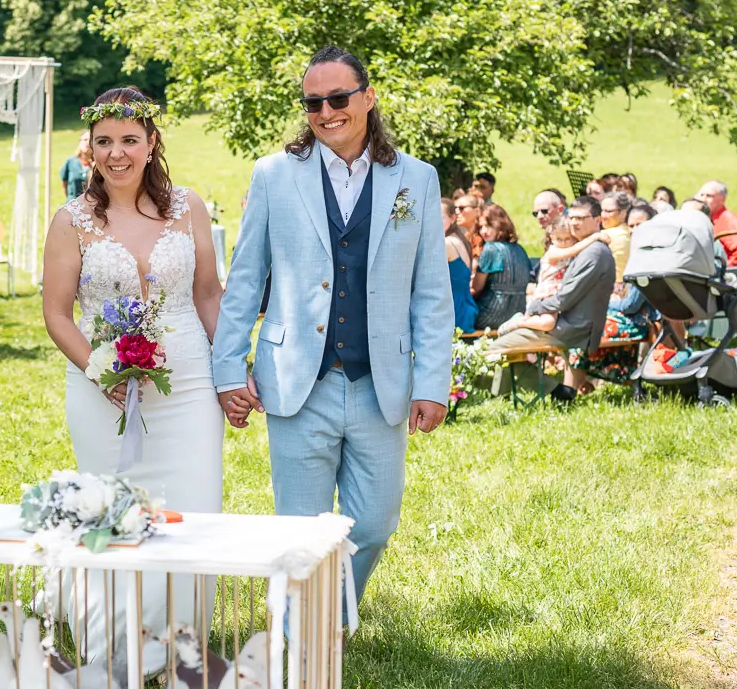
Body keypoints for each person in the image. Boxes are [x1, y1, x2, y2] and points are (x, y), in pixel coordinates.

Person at [213, 48, 452, 607]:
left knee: (374, 524)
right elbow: (245, 278)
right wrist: (227, 369)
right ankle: (303, 636)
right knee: (300, 533)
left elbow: (431, 291)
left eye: (338, 98)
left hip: (379, 381)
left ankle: (332, 614)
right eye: (313, 103)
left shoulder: (416, 179)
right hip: (297, 377)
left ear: (368, 98)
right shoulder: (274, 174)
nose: (326, 112)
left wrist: (432, 382)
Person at [43, 86, 225, 651]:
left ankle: (180, 639)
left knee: (193, 506)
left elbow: (208, 294)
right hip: (101, 390)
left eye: (128, 139)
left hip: (188, 386)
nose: (116, 153)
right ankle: (116, 639)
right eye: (104, 141)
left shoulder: (189, 207)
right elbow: (57, 314)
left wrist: (231, 370)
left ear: (151, 143)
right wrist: (101, 372)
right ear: (90, 149)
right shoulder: (71, 220)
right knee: (115, 510)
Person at [488, 197, 615, 397]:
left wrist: (533, 307)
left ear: (597, 220)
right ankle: (503, 394)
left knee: (496, 349)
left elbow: (564, 299)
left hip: (571, 327)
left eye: (581, 218)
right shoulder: (585, 247)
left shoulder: (594, 252)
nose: (575, 223)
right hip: (563, 322)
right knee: (505, 346)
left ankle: (555, 391)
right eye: (572, 218)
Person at [471, 204, 531, 330]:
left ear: (500, 224)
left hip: (490, 315)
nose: (484, 231)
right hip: (517, 314)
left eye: (488, 225)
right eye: (481, 227)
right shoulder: (520, 249)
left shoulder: (490, 248)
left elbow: (476, 288)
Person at [692, 181, 737, 267]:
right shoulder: (706, 219)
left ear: (722, 199)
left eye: (709, 196)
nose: (703, 200)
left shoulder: (727, 219)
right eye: (701, 195)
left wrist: (726, 268)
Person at [441, 197, 477, 334]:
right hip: (465, 307)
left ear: (452, 218)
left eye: (440, 217)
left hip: (453, 310)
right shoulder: (459, 238)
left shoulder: (446, 244)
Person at [596, 190, 634, 282]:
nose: (603, 215)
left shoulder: (606, 235)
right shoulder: (630, 232)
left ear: (623, 213)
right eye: (602, 210)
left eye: (609, 211)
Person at [60, 133, 92, 201]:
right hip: (72, 203)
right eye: (85, 140)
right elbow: (64, 183)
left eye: (90, 140)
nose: (87, 142)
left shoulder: (100, 164)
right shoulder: (70, 162)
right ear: (80, 142)